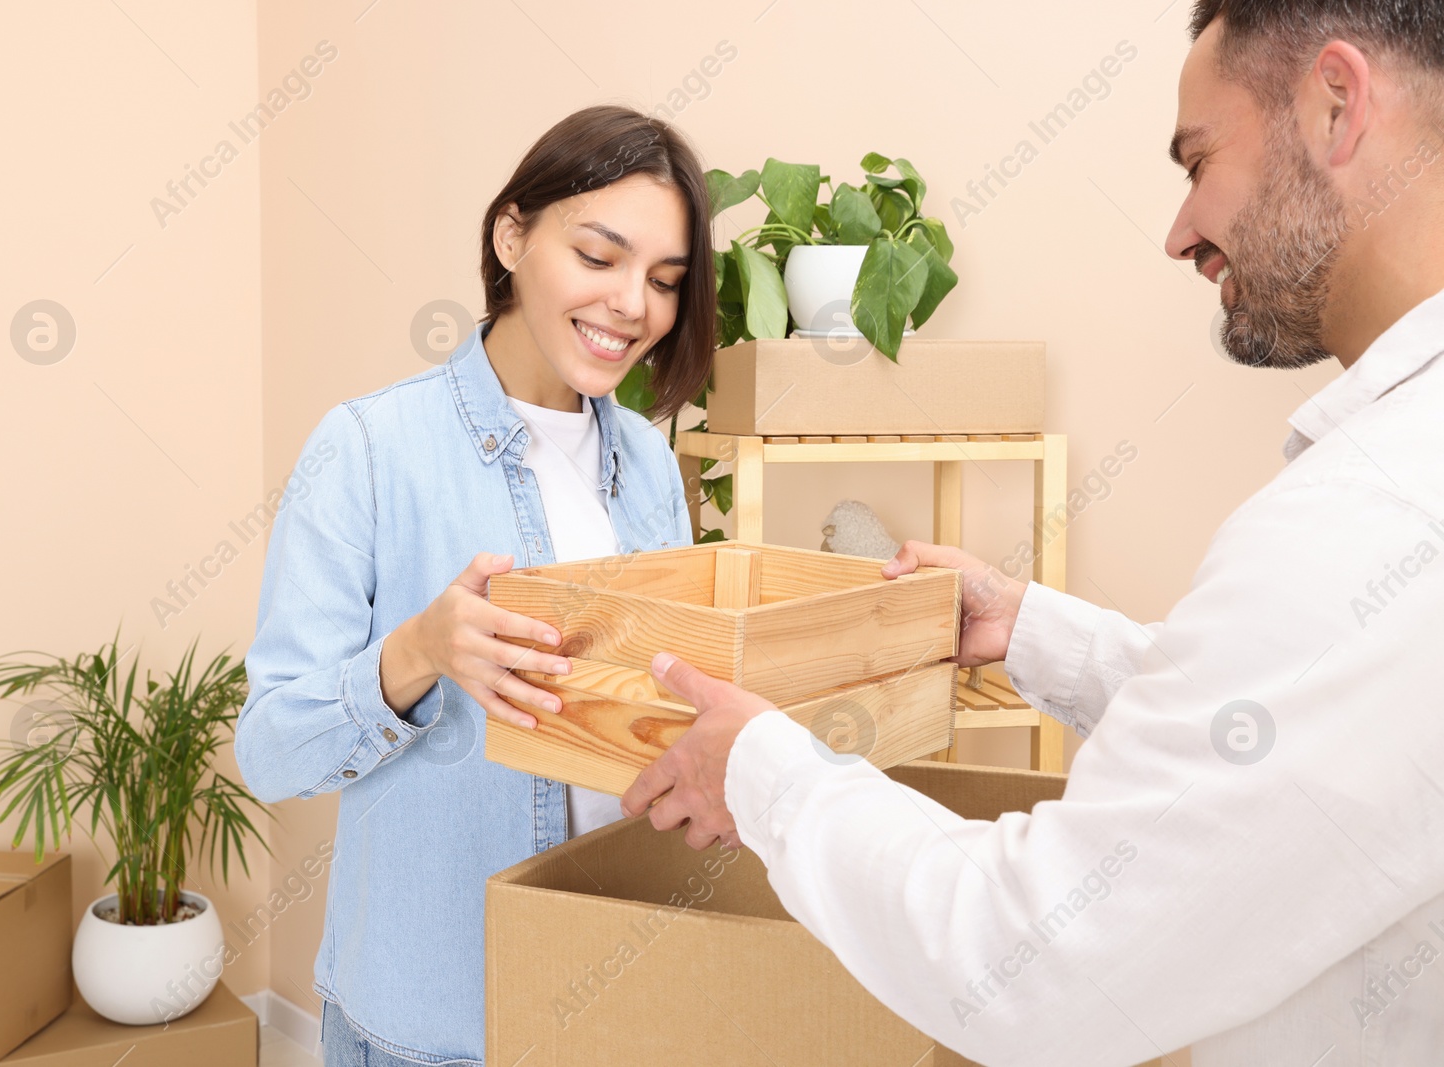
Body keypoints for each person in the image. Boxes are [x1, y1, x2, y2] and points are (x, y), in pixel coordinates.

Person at [619, 2, 1444, 1063]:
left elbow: (1027, 959)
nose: (1179, 231)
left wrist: (762, 772)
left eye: (1198, 162)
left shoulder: (1372, 512)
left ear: (1337, 104)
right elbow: (1316, 729)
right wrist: (1034, 630)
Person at [234, 104, 716, 1066]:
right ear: (512, 234)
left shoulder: (653, 471)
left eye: (664, 281)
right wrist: (416, 653)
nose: (633, 305)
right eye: (599, 255)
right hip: (433, 1022)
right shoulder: (369, 449)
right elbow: (271, 750)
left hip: (612, 993)